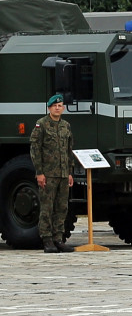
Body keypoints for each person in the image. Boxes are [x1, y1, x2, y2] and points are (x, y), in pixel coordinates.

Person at [30, 94, 75, 253]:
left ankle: (58, 239)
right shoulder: (41, 125)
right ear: (49, 108)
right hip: (48, 174)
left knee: (62, 207)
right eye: (54, 106)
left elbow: (69, 150)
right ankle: (47, 239)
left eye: (60, 105)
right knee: (47, 207)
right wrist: (39, 173)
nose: (57, 108)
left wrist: (70, 172)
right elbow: (35, 149)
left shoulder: (66, 126)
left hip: (63, 174)